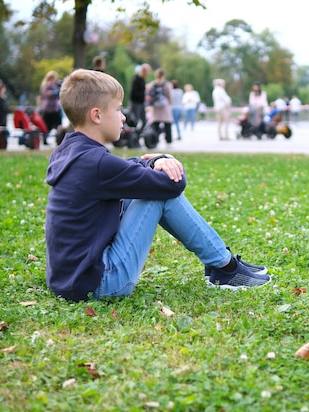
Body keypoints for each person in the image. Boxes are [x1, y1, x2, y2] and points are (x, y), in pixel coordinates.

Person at [44, 69, 270, 302]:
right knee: (158, 195)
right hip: (98, 283)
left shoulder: (71, 152)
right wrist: (167, 160)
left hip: (67, 280)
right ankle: (225, 267)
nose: (123, 117)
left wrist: (153, 160)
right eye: (118, 109)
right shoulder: (98, 163)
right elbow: (172, 185)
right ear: (97, 115)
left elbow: (126, 167)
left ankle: (222, 264)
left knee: (150, 189)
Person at [146, 68, 173, 144]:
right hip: (165, 106)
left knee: (155, 124)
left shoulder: (152, 84)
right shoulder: (167, 84)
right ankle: (168, 139)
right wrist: (170, 103)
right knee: (167, 124)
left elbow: (150, 94)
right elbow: (169, 95)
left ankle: (155, 139)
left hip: (156, 106)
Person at [128, 63, 151, 147]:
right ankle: (133, 139)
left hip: (141, 104)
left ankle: (137, 136)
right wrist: (143, 96)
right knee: (135, 121)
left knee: (144, 121)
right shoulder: (136, 79)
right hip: (136, 103)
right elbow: (133, 93)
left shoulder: (143, 80)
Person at [40, 70, 62, 145]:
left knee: (47, 126)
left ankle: (45, 139)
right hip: (53, 108)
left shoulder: (44, 85)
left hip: (46, 107)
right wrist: (58, 90)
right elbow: (50, 93)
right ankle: (59, 139)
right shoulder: (50, 85)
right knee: (57, 124)